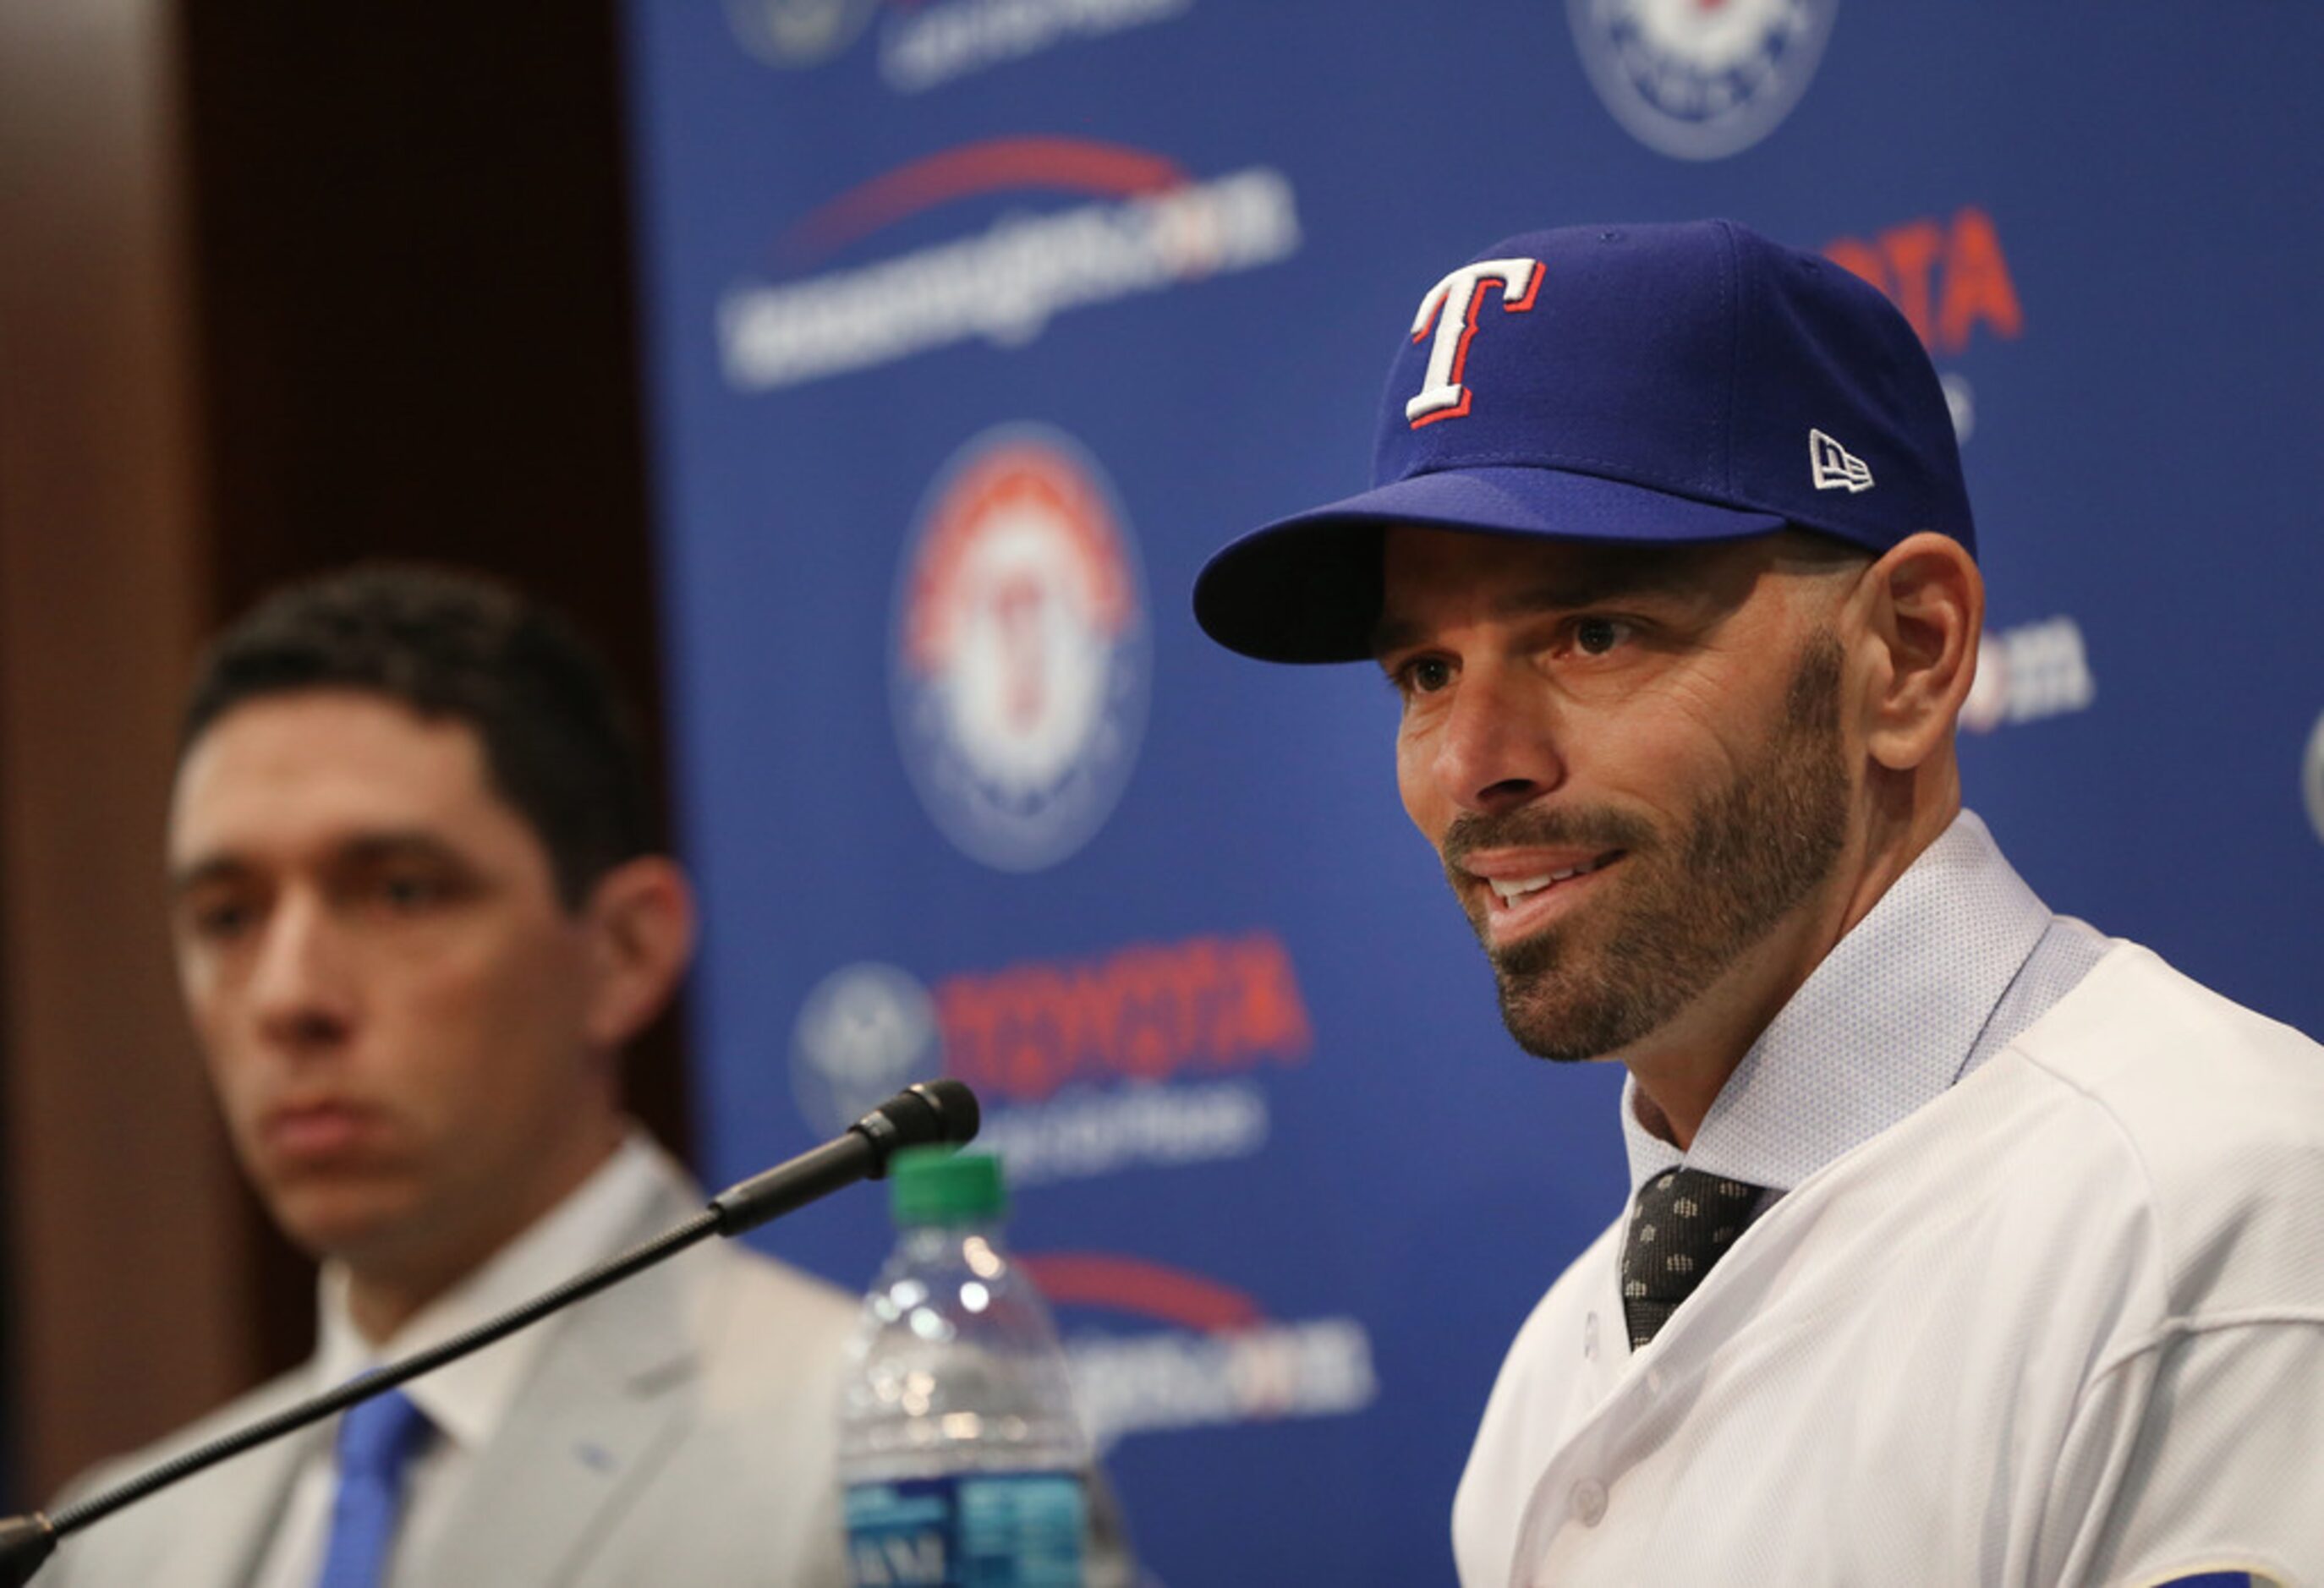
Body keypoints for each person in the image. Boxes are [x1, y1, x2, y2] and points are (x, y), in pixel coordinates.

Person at [1192, 221, 2324, 1586]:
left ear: (1907, 655)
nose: (1472, 763)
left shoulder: (2217, 1217)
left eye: (1591, 633)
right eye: (1424, 671)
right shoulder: (1551, 1376)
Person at [45, 567, 860, 1586]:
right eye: (229, 917)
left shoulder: (874, 1457)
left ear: (624, 951)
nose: (289, 998)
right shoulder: (110, 1548)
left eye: (399, 892)